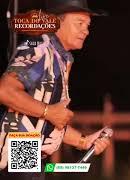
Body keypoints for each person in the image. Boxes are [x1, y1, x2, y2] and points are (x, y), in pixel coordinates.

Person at [0, 0, 110, 179]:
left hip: (32, 153)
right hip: (22, 147)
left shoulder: (58, 58)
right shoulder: (40, 51)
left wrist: (83, 141)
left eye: (88, 25)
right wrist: (48, 111)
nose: (86, 30)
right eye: (79, 23)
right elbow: (5, 91)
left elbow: (44, 118)